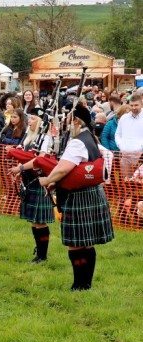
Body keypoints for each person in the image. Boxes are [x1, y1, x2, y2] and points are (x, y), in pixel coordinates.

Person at [36, 103, 113, 290]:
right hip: (93, 193)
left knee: (76, 244)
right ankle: (86, 284)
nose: (65, 123)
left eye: (68, 119)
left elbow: (63, 169)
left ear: (77, 121)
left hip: (79, 197)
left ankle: (79, 284)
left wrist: (47, 180)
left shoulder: (77, 142)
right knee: (87, 243)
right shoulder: (91, 138)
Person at [8, 108, 55, 263]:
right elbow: (25, 156)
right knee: (34, 221)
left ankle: (42, 256)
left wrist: (20, 168)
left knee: (40, 221)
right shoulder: (28, 137)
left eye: (33, 118)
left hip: (39, 180)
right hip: (28, 180)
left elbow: (39, 160)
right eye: (30, 118)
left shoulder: (45, 139)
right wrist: (19, 170)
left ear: (41, 122)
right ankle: (39, 251)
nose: (30, 121)